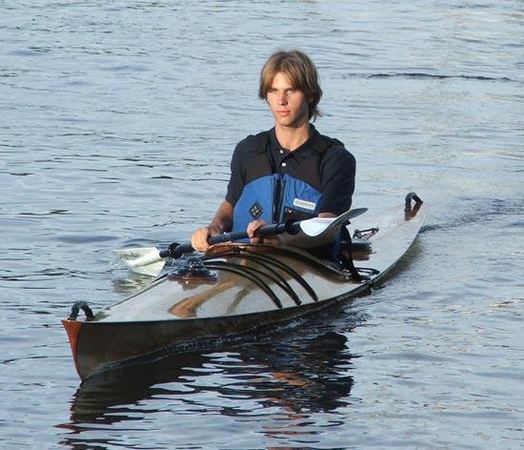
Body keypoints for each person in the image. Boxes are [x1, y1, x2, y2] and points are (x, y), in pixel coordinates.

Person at [191, 50, 356, 258]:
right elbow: (231, 203)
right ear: (266, 95)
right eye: (273, 90)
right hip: (244, 261)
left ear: (311, 94)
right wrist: (214, 228)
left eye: (291, 90)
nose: (281, 100)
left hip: (310, 265)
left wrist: (280, 241)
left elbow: (328, 229)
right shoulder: (248, 150)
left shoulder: (336, 159)